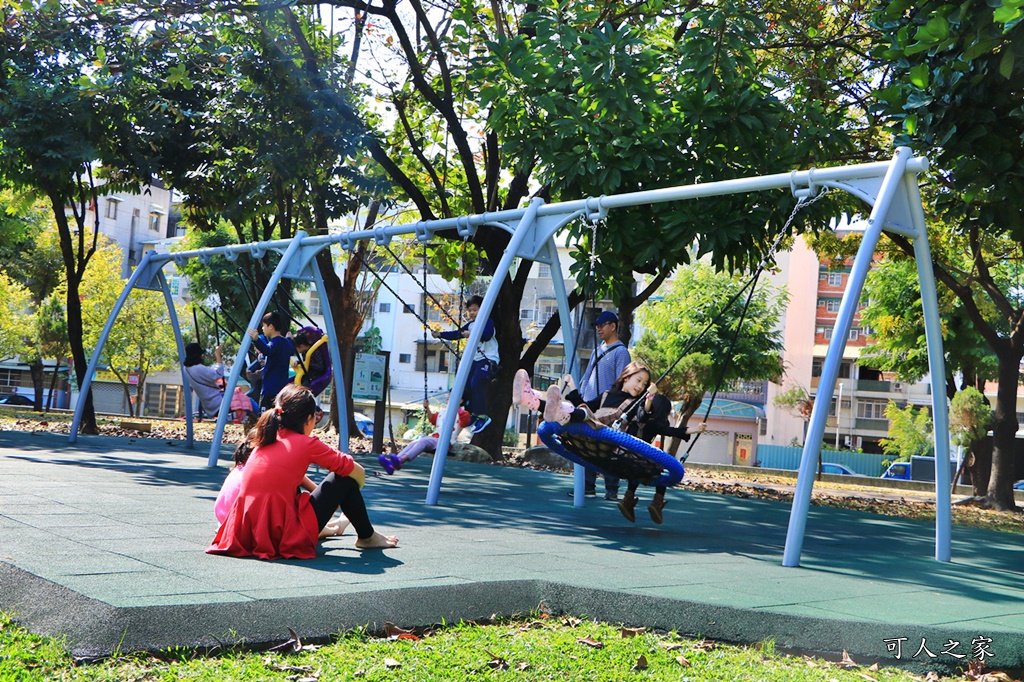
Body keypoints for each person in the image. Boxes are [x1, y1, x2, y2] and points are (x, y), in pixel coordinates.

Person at [207, 384, 397, 560]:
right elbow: (357, 472)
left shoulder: (266, 439)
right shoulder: (306, 444)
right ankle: (367, 536)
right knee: (344, 479)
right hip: (281, 535)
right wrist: (349, 492)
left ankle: (352, 531)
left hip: (246, 533)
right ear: (309, 419)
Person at [514, 362, 650, 500]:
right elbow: (585, 405)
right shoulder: (606, 395)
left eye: (644, 384)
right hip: (590, 433)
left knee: (583, 414)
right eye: (638, 381)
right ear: (626, 377)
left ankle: (553, 409)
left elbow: (643, 416)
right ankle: (532, 401)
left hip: (607, 438)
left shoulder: (636, 403)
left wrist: (649, 399)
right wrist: (573, 386)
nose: (640, 387)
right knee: (578, 414)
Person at [215, 432, 350, 538]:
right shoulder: (264, 470)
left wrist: (323, 497)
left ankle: (332, 526)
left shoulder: (243, 467)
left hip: (225, 524)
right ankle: (335, 528)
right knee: (293, 503)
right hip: (250, 527)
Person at [616, 384, 705, 525]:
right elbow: (673, 431)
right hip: (634, 459)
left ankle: (628, 498)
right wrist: (695, 429)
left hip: (621, 457)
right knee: (661, 471)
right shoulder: (654, 424)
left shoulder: (633, 417)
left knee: (636, 469)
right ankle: (657, 502)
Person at [577, 310, 631, 499]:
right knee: (587, 447)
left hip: (607, 407)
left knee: (608, 448)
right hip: (589, 404)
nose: (598, 328)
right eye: (597, 325)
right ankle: (588, 487)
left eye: (602, 325)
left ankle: (611, 489)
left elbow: (620, 381)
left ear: (613, 326)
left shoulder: (620, 352)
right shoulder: (597, 349)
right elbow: (588, 374)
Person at [432, 295, 497, 435]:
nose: (472, 313)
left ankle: (482, 416)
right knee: (465, 387)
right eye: (470, 310)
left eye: (475, 309)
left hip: (487, 359)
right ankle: (471, 414)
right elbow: (457, 333)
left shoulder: (487, 322)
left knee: (476, 382)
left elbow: (487, 335)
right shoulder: (471, 325)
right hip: (474, 361)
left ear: (483, 309)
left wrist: (471, 334)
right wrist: (440, 334)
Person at [378, 399, 472, 475]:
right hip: (435, 439)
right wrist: (427, 408)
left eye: (451, 396)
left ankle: (401, 460)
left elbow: (465, 422)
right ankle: (392, 464)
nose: (448, 397)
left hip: (446, 442)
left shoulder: (463, 414)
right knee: (414, 443)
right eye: (448, 395)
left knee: (424, 441)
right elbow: (432, 419)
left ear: (460, 400)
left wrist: (457, 408)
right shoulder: (443, 412)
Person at [246, 311, 295, 412]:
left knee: (265, 417)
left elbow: (268, 350)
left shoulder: (275, 341)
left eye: (264, 326)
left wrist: (256, 340)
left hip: (270, 389)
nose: (262, 328)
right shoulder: (285, 342)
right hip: (282, 389)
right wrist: (290, 339)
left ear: (271, 326)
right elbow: (291, 349)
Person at [183, 342, 225, 418]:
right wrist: (218, 355)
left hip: (208, 405)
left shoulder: (186, 369)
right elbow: (218, 373)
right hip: (217, 401)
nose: (202, 356)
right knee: (247, 400)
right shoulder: (198, 368)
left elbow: (208, 374)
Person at [292, 326, 332, 397]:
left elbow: (320, 366)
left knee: (301, 392)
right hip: (307, 375)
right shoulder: (304, 352)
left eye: (296, 349)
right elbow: (305, 362)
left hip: (314, 376)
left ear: (301, 346)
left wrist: (308, 364)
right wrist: (298, 362)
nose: (296, 351)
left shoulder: (314, 351)